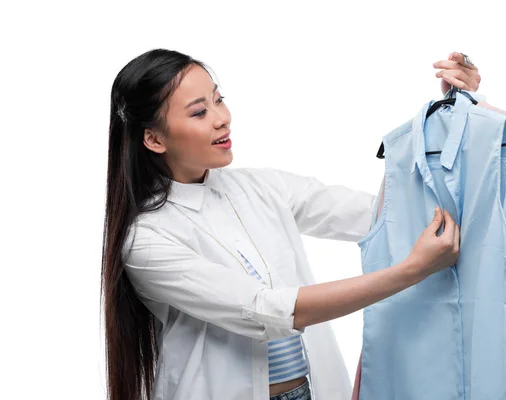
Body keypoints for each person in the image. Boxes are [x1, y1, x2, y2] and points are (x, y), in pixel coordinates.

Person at [101, 48, 481, 400]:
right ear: (153, 139)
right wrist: (410, 271)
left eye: (219, 99)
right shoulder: (146, 239)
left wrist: (448, 116)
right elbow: (265, 310)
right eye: (199, 112)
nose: (222, 118)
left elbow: (383, 215)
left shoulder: (260, 187)